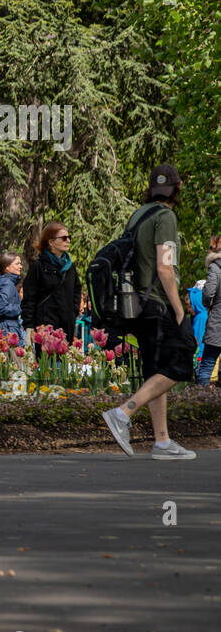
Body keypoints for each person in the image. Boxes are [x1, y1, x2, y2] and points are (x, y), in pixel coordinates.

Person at [102, 164, 196, 459]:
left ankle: (162, 441)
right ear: (178, 188)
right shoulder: (165, 217)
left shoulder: (138, 215)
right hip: (158, 304)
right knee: (181, 361)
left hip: (137, 305)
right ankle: (123, 412)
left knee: (156, 369)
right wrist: (179, 309)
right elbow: (164, 266)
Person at [22, 222, 81, 357]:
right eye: (64, 238)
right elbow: (29, 298)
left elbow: (77, 290)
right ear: (51, 242)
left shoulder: (70, 267)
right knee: (46, 371)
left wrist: (73, 312)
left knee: (63, 370)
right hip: (44, 327)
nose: (68, 240)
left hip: (66, 327)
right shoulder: (39, 266)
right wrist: (29, 327)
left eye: (69, 237)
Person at [197, 234, 221, 386]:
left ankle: (201, 406)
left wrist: (208, 304)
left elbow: (208, 293)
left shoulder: (215, 267)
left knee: (206, 367)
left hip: (218, 322)